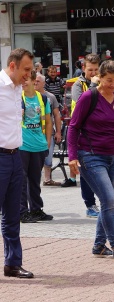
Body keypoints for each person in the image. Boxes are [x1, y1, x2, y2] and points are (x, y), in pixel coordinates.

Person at [68, 60, 114, 262]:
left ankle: (99, 245)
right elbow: (73, 127)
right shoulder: (89, 97)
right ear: (100, 77)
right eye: (109, 80)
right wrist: (72, 156)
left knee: (109, 202)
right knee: (107, 199)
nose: (113, 84)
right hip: (90, 155)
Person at [0, 48, 35, 278]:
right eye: (26, 70)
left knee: (13, 214)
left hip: (15, 156)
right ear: (12, 66)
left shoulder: (17, 89)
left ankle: (13, 263)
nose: (29, 75)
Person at [62, 53, 101, 219]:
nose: (93, 73)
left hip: (99, 132)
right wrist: (93, 85)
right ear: (84, 68)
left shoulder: (102, 83)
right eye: (90, 70)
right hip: (82, 134)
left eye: (96, 70)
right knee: (86, 171)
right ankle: (90, 204)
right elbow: (83, 105)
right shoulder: (78, 85)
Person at [20, 70, 53, 223]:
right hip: (22, 146)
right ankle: (22, 211)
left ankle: (36, 209)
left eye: (27, 79)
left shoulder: (42, 98)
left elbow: (48, 121)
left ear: (34, 81)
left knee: (35, 180)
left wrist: (47, 142)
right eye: (22, 80)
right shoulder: (18, 98)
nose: (24, 82)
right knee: (21, 180)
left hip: (39, 145)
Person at [34, 73, 62, 186]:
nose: (35, 83)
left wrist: (58, 132)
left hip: (48, 132)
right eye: (34, 81)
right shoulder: (27, 96)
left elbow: (56, 115)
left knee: (48, 157)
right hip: (34, 132)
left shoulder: (50, 97)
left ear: (43, 83)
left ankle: (47, 179)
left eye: (38, 81)